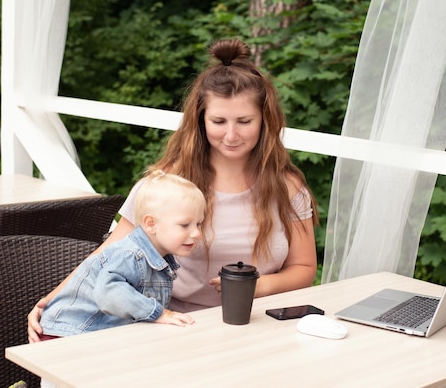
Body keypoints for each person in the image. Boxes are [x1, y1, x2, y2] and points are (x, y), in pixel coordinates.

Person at [28, 38, 318, 342]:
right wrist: (50, 300)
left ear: (264, 121)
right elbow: (107, 255)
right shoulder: (169, 184)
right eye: (218, 121)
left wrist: (261, 287)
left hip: (262, 325)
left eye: (244, 121)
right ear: (201, 120)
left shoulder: (288, 188)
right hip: (179, 326)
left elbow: (304, 267)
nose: (231, 135)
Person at [39, 169, 203, 340]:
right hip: (67, 333)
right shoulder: (130, 255)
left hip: (97, 336)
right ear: (151, 224)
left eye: (198, 224)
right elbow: (108, 292)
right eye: (185, 225)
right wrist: (160, 314)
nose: (196, 233)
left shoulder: (159, 258)